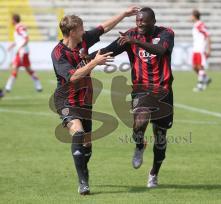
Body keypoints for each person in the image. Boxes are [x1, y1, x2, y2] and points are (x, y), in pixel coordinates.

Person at [51, 7, 139, 195]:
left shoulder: (82, 41)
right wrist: (94, 62)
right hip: (66, 101)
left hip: (85, 101)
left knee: (87, 145)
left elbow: (103, 28)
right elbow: (72, 77)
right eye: (82, 29)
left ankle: (83, 169)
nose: (85, 31)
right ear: (72, 32)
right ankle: (83, 182)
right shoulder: (58, 53)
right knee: (78, 134)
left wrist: (123, 14)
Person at [90, 7, 174, 188]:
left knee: (160, 137)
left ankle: (153, 173)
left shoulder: (166, 33)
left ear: (153, 21)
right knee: (139, 124)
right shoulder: (130, 35)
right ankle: (139, 145)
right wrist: (87, 58)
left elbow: (160, 50)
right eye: (137, 22)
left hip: (163, 91)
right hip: (142, 90)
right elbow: (109, 50)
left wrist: (134, 41)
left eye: (143, 22)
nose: (139, 24)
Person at [5, 14, 42, 92]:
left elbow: (26, 38)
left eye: (11, 20)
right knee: (21, 68)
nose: (10, 21)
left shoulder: (19, 27)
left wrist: (21, 46)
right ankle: (8, 87)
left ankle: (8, 86)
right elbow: (19, 40)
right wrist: (12, 45)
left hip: (22, 52)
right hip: (21, 52)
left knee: (19, 68)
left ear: (14, 20)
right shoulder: (18, 27)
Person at [191, 9, 212, 92]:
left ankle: (200, 85)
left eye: (191, 15)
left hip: (200, 49)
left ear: (194, 16)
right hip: (195, 49)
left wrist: (209, 49)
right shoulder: (195, 25)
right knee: (194, 67)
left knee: (200, 66)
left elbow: (208, 35)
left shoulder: (200, 25)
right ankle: (206, 79)